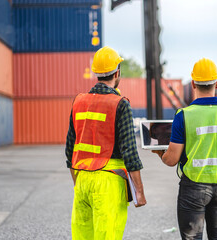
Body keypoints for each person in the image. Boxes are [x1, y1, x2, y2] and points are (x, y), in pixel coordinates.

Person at [153, 58, 217, 240]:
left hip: (193, 187)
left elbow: (171, 160)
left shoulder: (184, 115)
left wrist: (160, 153)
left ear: (193, 83)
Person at [65, 46, 147, 240]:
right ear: (117, 72)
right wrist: (140, 192)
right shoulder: (120, 104)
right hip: (108, 183)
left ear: (96, 73)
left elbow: (70, 150)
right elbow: (130, 153)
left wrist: (78, 183)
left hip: (82, 179)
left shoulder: (78, 101)